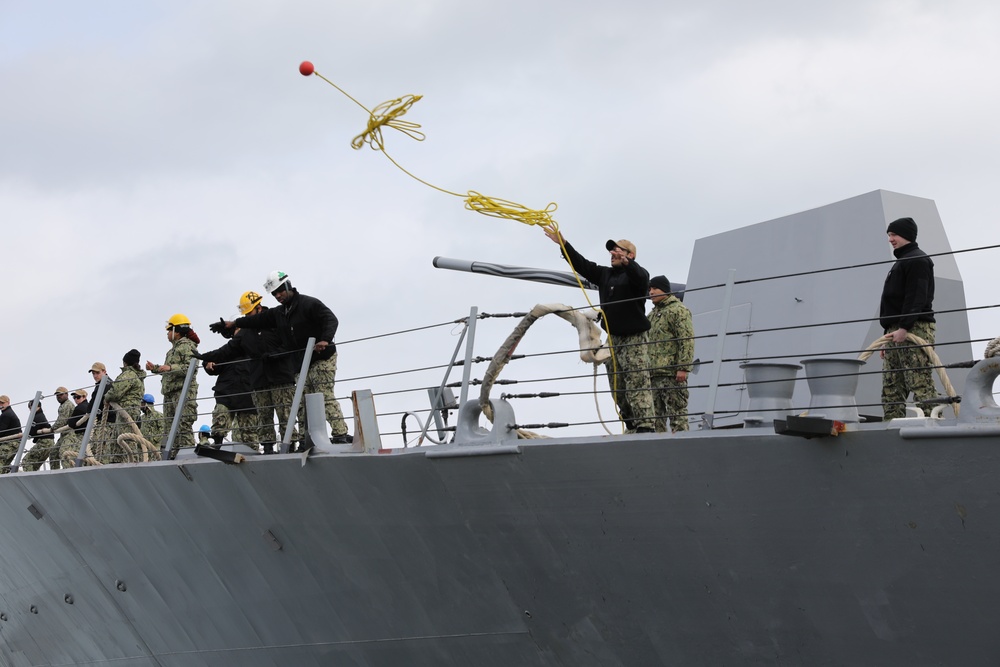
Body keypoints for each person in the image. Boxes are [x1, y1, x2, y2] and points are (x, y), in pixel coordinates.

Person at [215, 272, 350, 447]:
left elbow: (330, 318)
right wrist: (234, 324)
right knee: (301, 402)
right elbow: (258, 320)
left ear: (288, 286)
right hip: (302, 362)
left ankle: (340, 433)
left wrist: (325, 339)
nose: (278, 296)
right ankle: (305, 439)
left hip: (322, 357)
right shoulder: (281, 313)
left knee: (323, 393)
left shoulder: (309, 304)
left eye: (280, 291)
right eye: (274, 294)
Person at [545, 232, 656, 433]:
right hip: (613, 338)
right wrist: (564, 244)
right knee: (617, 382)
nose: (612, 254)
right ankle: (630, 422)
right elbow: (582, 265)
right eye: (612, 251)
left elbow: (640, 278)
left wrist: (628, 264)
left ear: (630, 255)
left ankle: (646, 425)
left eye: (618, 251)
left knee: (637, 379)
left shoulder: (637, 276)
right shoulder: (605, 274)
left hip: (634, 337)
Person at [879, 216, 937, 420]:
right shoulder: (902, 261)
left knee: (918, 379)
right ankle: (892, 426)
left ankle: (934, 422)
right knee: (892, 385)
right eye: (889, 235)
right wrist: (888, 335)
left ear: (906, 235)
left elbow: (917, 296)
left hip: (914, 328)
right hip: (896, 330)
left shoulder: (917, 260)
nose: (890, 239)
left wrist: (904, 328)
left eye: (894, 234)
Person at [198, 314, 261, 448]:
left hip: (248, 394)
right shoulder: (229, 350)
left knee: (249, 432)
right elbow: (215, 363)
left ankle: (253, 453)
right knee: (220, 422)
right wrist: (207, 363)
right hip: (227, 392)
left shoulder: (255, 349)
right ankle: (217, 445)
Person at [147, 314, 200, 458]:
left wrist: (169, 368)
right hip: (170, 395)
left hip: (183, 393)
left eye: (169, 330)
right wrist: (156, 368)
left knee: (183, 426)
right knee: (170, 429)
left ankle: (188, 456)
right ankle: (174, 457)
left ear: (177, 330)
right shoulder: (172, 351)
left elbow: (190, 367)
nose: (167, 334)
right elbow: (170, 369)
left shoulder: (188, 346)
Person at [647, 275, 694, 432]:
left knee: (677, 415)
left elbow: (686, 340)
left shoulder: (678, 311)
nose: (651, 292)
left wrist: (683, 367)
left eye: (655, 288)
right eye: (650, 289)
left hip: (671, 374)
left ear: (665, 291)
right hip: (653, 375)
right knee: (654, 419)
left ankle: (682, 449)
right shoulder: (652, 315)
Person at [103, 349, 147, 463]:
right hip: (130, 411)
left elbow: (115, 392)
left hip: (126, 411)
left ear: (125, 362)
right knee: (118, 440)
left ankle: (131, 464)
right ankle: (117, 463)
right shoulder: (138, 376)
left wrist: (106, 397)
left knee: (126, 440)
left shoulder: (128, 374)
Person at [22, 399, 58, 471]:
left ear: (37, 406)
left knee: (26, 461)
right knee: (34, 465)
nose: (30, 410)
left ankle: (30, 480)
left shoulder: (37, 417)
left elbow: (31, 432)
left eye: (30, 407)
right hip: (50, 442)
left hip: (44, 443)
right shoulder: (40, 416)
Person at [59, 389, 91, 466]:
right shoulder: (89, 406)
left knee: (64, 452)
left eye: (78, 397)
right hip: (89, 435)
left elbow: (71, 423)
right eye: (74, 397)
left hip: (80, 435)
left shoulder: (79, 408)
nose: (76, 399)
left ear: (84, 397)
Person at [47, 386, 75, 470]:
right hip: (64, 434)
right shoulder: (63, 405)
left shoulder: (66, 405)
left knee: (64, 453)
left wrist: (51, 429)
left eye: (61, 394)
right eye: (57, 395)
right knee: (53, 453)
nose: (59, 396)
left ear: (67, 394)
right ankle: (56, 472)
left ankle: (67, 472)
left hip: (70, 434)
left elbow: (61, 421)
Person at [0, 395, 24, 473]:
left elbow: (1, 431)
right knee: (4, 465)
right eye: (0, 403)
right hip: (14, 443)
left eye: (2, 403)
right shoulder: (8, 413)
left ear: (8, 403)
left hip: (10, 443)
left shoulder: (6, 414)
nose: (1, 405)